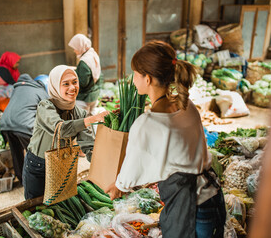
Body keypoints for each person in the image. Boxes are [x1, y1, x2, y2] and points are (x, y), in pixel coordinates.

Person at [105, 41, 226, 238]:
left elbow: (132, 167)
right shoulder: (187, 105)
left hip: (190, 207)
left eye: (135, 73)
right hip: (212, 196)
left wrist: (119, 186)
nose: (133, 78)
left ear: (148, 79)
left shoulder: (148, 123)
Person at [22, 65, 108, 200]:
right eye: (65, 84)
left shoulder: (80, 113)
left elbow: (88, 146)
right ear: (55, 86)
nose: (72, 87)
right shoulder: (45, 107)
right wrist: (91, 119)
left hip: (61, 165)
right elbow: (60, 129)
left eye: (75, 82)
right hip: (38, 166)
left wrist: (103, 167)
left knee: (59, 203)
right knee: (35, 207)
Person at [0, 73, 49, 184]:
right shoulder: (40, 91)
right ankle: (39, 183)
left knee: (16, 154)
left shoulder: (17, 89)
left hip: (6, 125)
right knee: (36, 155)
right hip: (24, 126)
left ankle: (22, 179)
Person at [68, 34, 103, 115]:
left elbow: (83, 82)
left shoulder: (84, 62)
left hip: (85, 98)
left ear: (80, 46)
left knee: (83, 122)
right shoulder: (92, 54)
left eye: (75, 48)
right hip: (94, 95)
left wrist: (72, 76)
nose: (74, 50)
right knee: (92, 119)